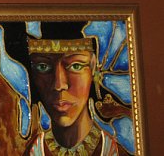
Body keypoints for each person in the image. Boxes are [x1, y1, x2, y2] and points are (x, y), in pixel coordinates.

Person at [21, 22, 129, 156]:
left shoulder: (113, 151)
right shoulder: (33, 151)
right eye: (43, 67)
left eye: (76, 66)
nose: (59, 85)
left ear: (93, 67)